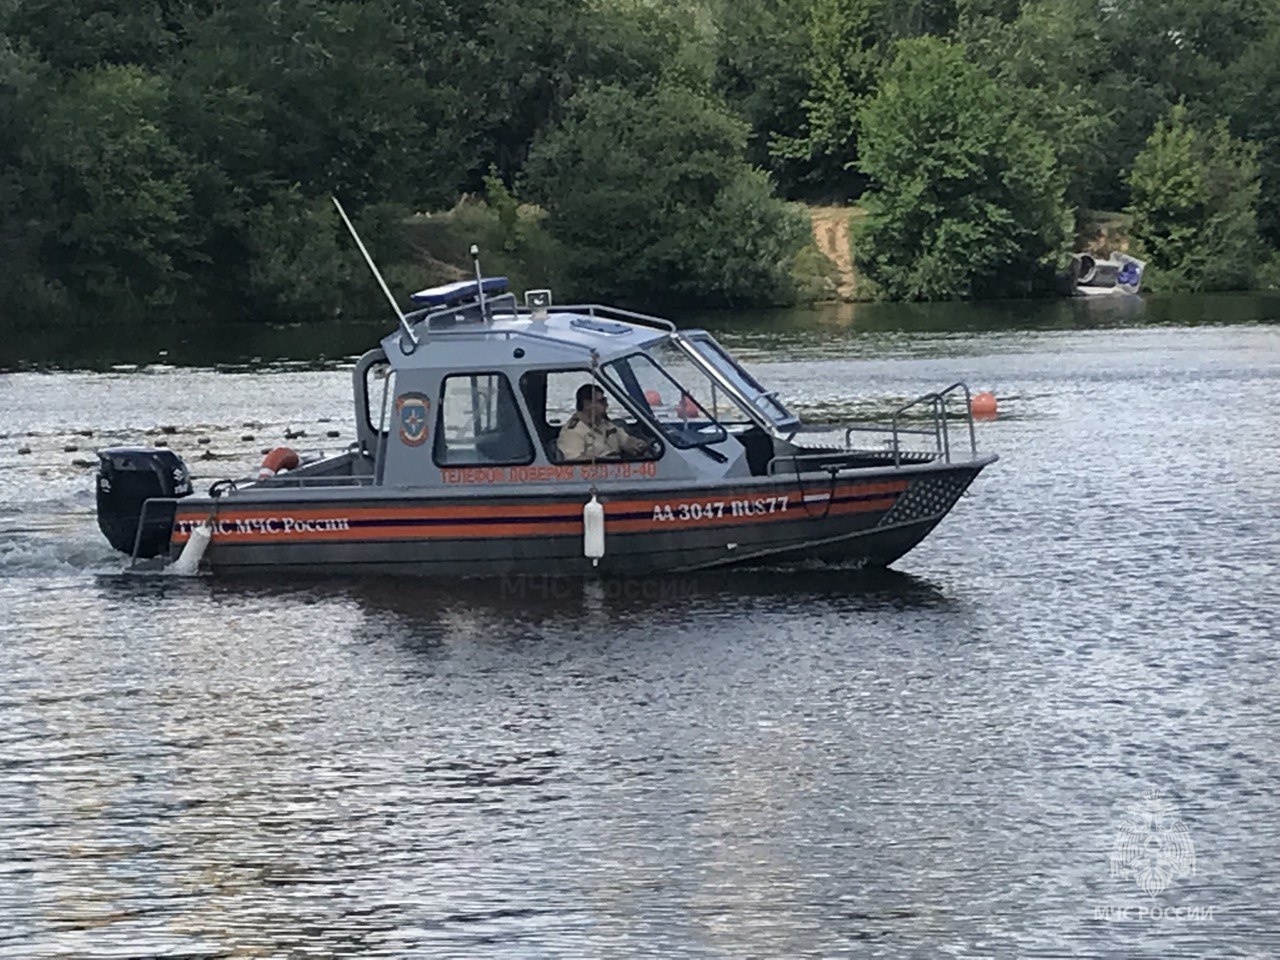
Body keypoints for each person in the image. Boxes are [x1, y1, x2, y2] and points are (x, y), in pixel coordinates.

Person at [557, 383, 650, 461]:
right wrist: (600, 461)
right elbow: (574, 463)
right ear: (587, 404)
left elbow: (624, 440)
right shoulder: (573, 432)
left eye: (605, 400)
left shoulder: (604, 423)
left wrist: (636, 444)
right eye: (601, 401)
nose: (606, 404)